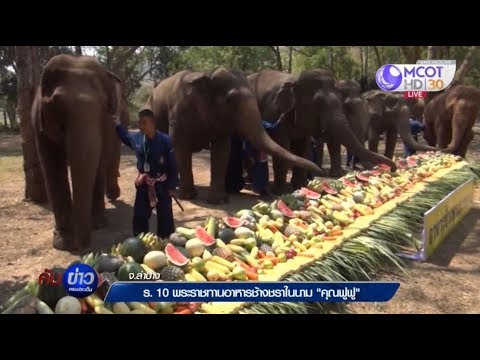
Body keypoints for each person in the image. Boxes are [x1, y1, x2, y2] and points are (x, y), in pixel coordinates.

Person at [113, 109, 178, 239]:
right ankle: (140, 241)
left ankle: (165, 240)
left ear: (153, 123)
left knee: (165, 216)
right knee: (139, 215)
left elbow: (173, 165)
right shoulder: (137, 138)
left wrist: (172, 186)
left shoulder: (165, 141)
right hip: (144, 184)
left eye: (144, 123)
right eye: (139, 123)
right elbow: (125, 137)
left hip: (162, 184)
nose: (141, 126)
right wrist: (117, 124)